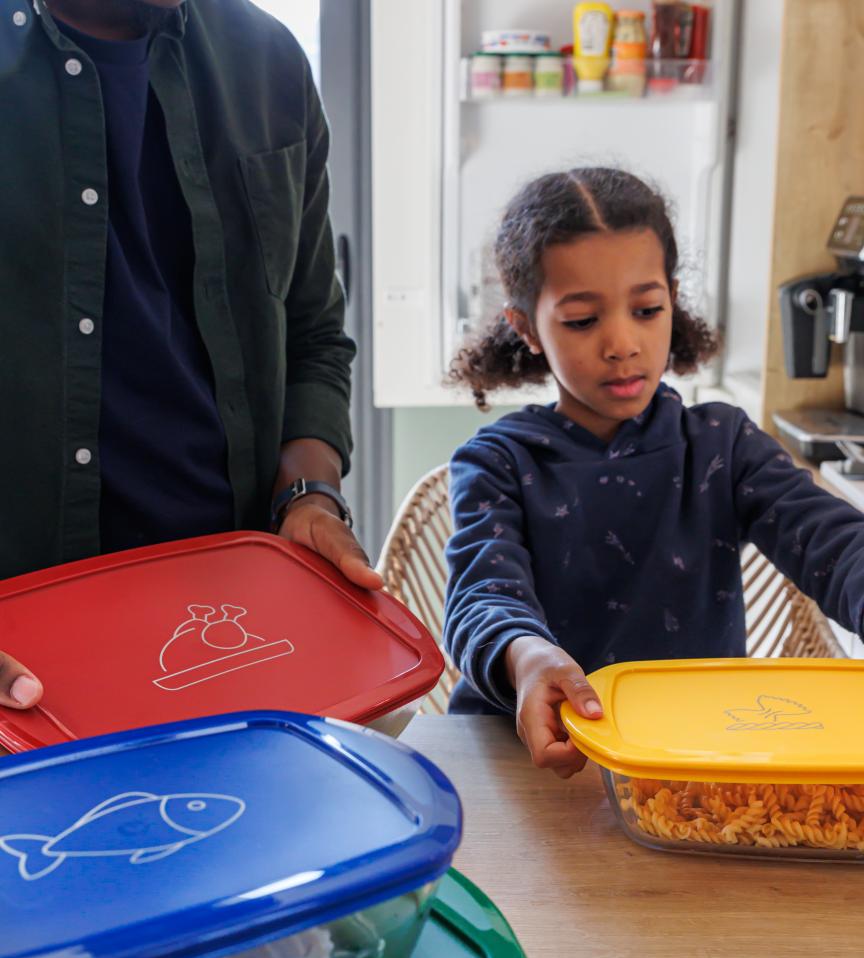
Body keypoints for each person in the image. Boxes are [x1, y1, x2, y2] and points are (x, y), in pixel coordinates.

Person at [0, 0, 382, 713]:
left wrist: (309, 496)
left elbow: (313, 335)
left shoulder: (266, 62)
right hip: (22, 658)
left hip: (232, 627)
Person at [443, 166, 864, 779]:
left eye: (646, 309)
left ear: (673, 299)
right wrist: (526, 655)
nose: (622, 343)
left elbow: (833, 541)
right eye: (583, 320)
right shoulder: (498, 462)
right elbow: (483, 595)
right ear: (526, 327)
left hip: (691, 764)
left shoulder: (722, 445)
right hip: (531, 762)